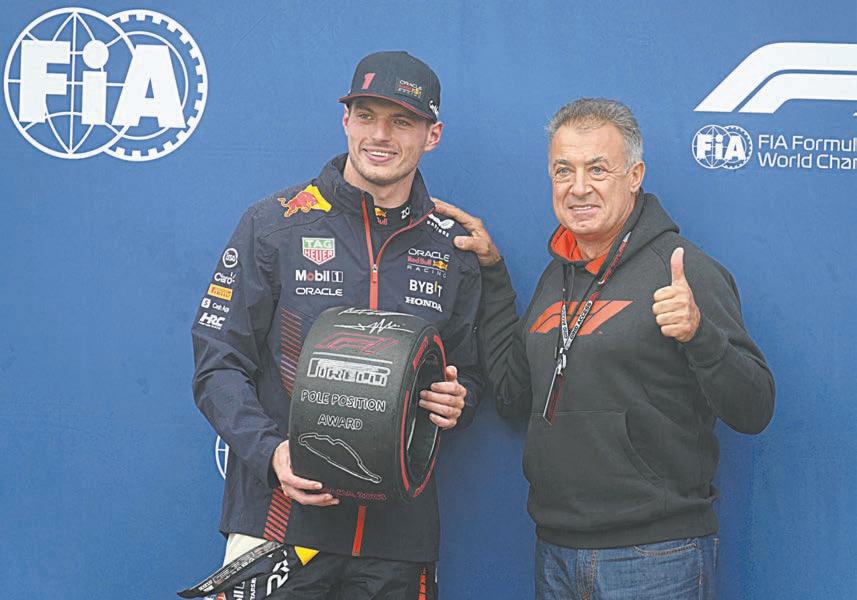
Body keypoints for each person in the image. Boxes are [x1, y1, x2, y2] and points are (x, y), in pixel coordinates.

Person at [434, 98, 774, 599]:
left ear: (634, 176)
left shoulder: (683, 270)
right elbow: (511, 395)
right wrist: (493, 274)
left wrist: (700, 334)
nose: (578, 187)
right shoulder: (556, 279)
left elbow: (755, 408)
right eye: (563, 170)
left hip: (655, 557)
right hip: (556, 550)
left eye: (598, 169)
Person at [187, 51, 483, 600]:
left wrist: (457, 400)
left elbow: (470, 374)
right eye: (366, 115)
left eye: (402, 121)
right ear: (346, 120)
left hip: (398, 543)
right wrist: (271, 452)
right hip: (279, 527)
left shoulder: (452, 249)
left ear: (432, 135)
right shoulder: (274, 224)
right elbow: (218, 364)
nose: (380, 135)